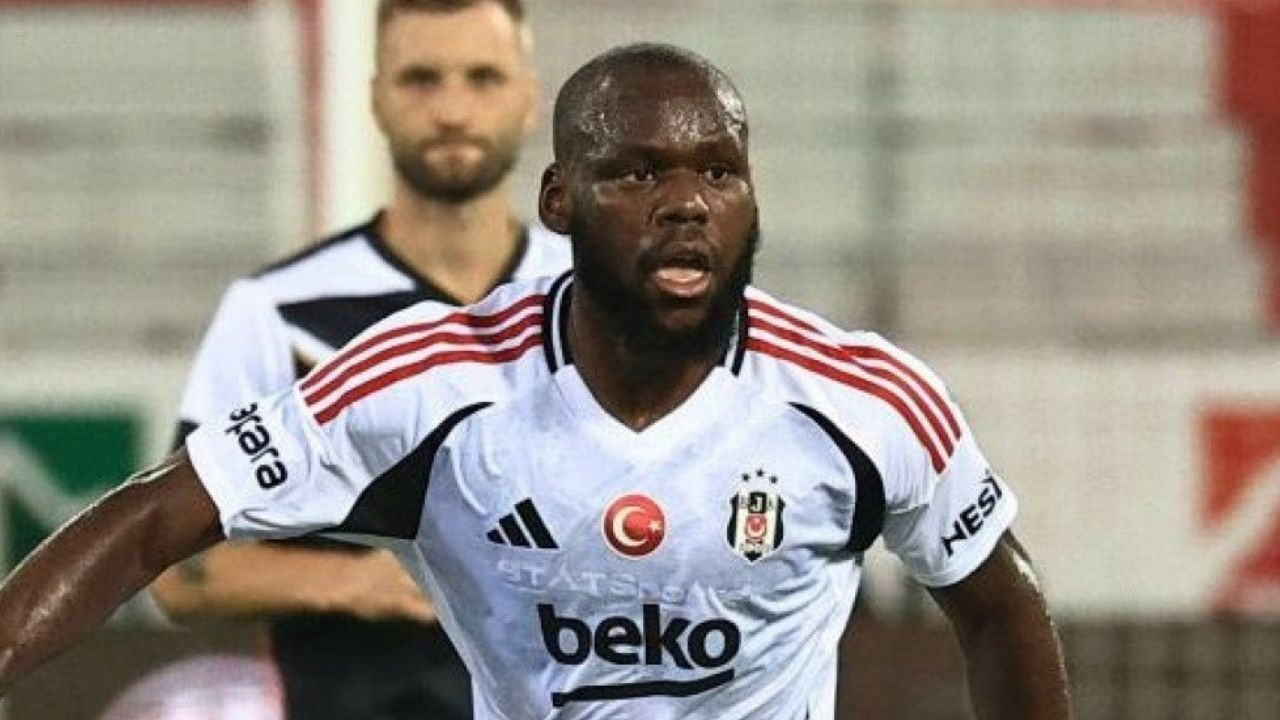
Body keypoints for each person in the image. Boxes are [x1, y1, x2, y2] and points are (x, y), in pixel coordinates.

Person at [0, 43, 1072, 719]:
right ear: (559, 201)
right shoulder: (432, 385)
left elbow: (998, 602)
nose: (687, 202)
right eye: (639, 172)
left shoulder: (862, 402)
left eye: (719, 170)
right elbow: (158, 517)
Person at [148, 1, 567, 718]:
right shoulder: (281, 312)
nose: (452, 110)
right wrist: (352, 583)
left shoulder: (596, 297)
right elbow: (181, 570)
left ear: (529, 97)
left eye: (483, 77)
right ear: (375, 98)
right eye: (421, 79)